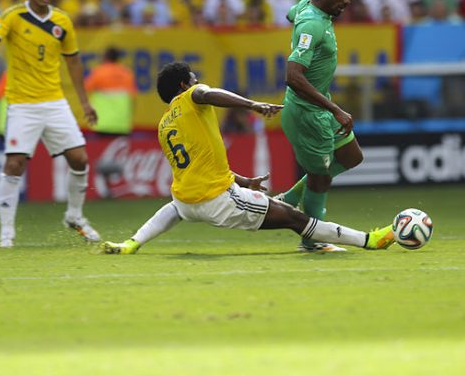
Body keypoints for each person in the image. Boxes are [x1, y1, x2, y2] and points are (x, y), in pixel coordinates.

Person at [100, 62, 394, 254]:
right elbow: (208, 92)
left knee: (176, 208)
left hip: (187, 202)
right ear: (183, 86)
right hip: (217, 201)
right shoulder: (191, 96)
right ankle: (369, 240)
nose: (198, 81)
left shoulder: (165, 125)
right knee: (295, 218)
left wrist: (243, 180)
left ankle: (132, 243)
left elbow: (198, 166)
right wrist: (253, 104)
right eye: (194, 78)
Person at [0, 0, 100, 248]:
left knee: (79, 159)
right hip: (22, 104)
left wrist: (84, 102)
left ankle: (75, 216)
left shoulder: (63, 22)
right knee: (14, 163)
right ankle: (7, 234)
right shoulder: (14, 16)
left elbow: (74, 62)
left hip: (54, 101)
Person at [275, 0, 365, 253]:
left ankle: (288, 199)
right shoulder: (313, 23)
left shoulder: (305, 8)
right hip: (308, 114)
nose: (347, 0)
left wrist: (301, 16)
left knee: (352, 157)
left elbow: (292, 13)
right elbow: (293, 76)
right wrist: (335, 109)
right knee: (320, 179)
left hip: (320, 110)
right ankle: (312, 239)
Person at [84, 47, 136, 136]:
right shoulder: (127, 73)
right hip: (122, 124)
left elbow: (86, 87)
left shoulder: (99, 72)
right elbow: (133, 96)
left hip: (102, 123)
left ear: (105, 57)